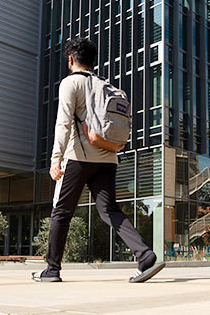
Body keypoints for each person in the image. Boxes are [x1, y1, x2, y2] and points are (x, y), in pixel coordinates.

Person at [32, 37, 165, 283]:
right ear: (92, 62)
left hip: (79, 158)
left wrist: (55, 160)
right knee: (109, 210)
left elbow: (63, 124)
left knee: (61, 212)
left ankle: (52, 269)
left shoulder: (70, 83)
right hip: (108, 158)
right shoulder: (106, 86)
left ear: (71, 59)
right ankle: (144, 254)